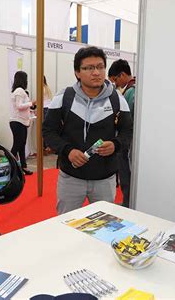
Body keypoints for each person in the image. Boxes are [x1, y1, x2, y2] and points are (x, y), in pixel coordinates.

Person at [43, 46, 133, 215]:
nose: (96, 72)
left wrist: (115, 144)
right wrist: (68, 151)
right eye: (89, 68)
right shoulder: (64, 97)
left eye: (100, 67)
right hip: (71, 178)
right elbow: (48, 131)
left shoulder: (117, 99)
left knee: (105, 228)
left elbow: (127, 132)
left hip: (105, 180)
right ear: (77, 72)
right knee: (66, 225)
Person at [108, 59, 136, 208]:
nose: (115, 84)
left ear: (123, 75)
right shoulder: (134, 88)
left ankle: (127, 203)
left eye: (115, 80)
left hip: (127, 141)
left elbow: (127, 119)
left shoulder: (131, 92)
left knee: (126, 173)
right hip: (130, 140)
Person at [10, 70, 35, 175]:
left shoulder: (19, 91)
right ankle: (9, 166)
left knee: (21, 145)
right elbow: (19, 106)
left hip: (21, 121)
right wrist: (31, 103)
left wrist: (32, 106)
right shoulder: (20, 91)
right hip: (18, 121)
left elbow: (23, 107)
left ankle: (23, 167)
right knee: (17, 145)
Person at [43, 76, 53, 154]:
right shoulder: (47, 87)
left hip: (45, 108)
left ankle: (46, 147)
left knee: (43, 128)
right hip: (48, 108)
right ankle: (48, 146)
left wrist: (33, 103)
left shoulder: (42, 88)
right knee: (48, 127)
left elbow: (40, 99)